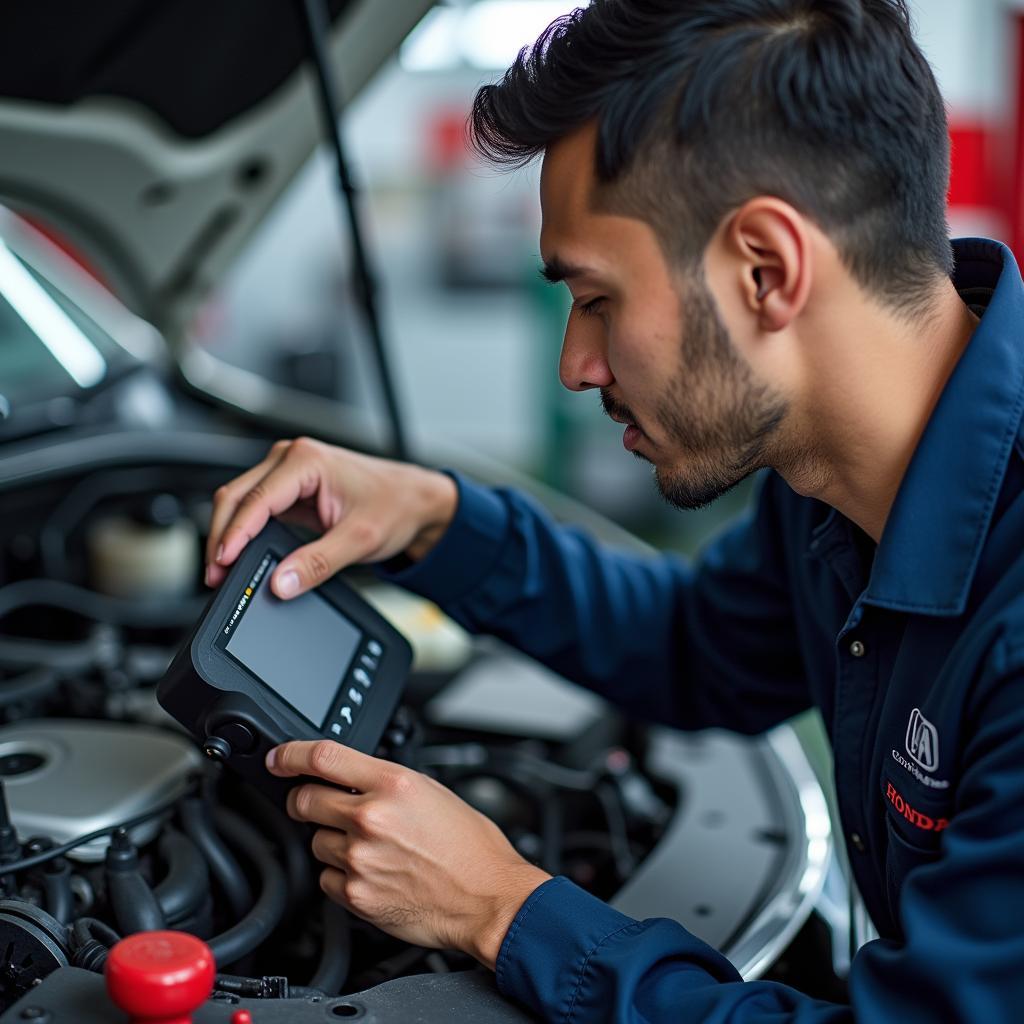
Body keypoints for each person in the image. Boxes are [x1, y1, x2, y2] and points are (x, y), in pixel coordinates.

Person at [205, 1, 1024, 1019]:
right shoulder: (829, 482)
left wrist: (503, 908)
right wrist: (434, 517)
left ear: (766, 269)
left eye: (594, 298)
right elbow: (696, 646)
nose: (575, 364)